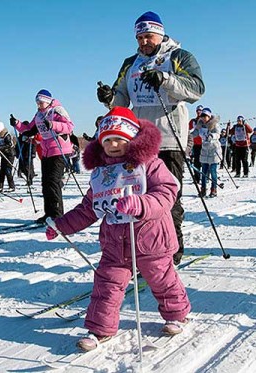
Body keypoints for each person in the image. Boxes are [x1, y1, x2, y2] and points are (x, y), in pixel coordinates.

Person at [46, 107, 190, 351]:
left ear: (131, 138)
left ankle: (176, 313)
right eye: (108, 140)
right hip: (115, 243)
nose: (113, 145)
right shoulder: (102, 174)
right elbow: (88, 209)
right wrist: (61, 226)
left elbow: (167, 192)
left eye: (119, 139)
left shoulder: (151, 164)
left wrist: (142, 203)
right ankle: (100, 328)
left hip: (151, 240)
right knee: (106, 285)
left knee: (162, 279)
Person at [96, 11, 205, 265]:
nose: (144, 42)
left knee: (167, 198)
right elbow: (121, 98)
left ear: (160, 34)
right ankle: (144, 251)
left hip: (169, 138)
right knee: (139, 198)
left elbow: (197, 89)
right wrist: (108, 98)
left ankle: (171, 251)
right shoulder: (130, 63)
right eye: (140, 37)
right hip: (139, 140)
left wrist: (165, 79)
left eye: (148, 36)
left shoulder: (178, 56)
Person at [10, 89, 74, 224]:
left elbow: (69, 127)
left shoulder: (57, 110)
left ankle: (57, 215)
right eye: (37, 102)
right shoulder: (39, 115)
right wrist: (17, 124)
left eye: (40, 102)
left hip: (59, 150)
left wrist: (53, 124)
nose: (38, 105)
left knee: (53, 182)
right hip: (46, 151)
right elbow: (30, 130)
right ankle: (49, 214)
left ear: (47, 101)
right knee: (46, 183)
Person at [190, 108, 221, 197]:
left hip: (214, 150)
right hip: (204, 150)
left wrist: (212, 136)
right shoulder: (200, 125)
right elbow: (195, 133)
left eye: (205, 116)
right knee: (203, 172)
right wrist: (188, 135)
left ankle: (214, 189)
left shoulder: (214, 124)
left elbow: (218, 134)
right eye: (202, 116)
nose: (203, 118)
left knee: (213, 171)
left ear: (209, 116)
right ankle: (203, 189)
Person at [189, 105, 204, 182]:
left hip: (204, 144)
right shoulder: (193, 121)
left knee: (204, 161)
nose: (199, 112)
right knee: (196, 162)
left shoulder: (205, 121)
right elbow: (188, 129)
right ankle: (197, 178)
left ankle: (205, 177)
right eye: (197, 110)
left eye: (200, 110)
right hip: (195, 144)